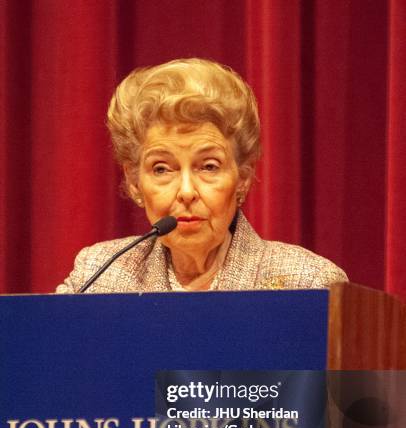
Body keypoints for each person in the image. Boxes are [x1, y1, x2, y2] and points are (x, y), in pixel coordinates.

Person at [56, 58, 347, 294]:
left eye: (208, 166)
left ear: (242, 178)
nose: (186, 191)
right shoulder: (99, 278)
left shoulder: (309, 284)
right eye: (162, 169)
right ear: (134, 182)